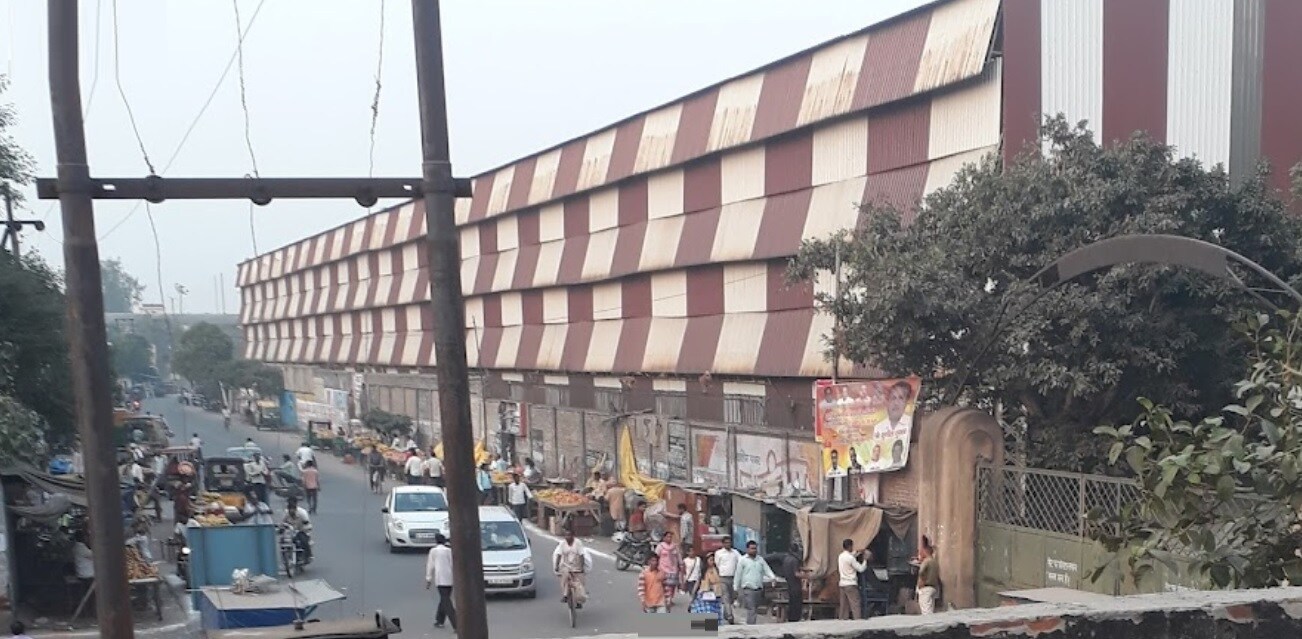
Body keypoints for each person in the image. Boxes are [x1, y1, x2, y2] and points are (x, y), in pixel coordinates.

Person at [767, 542, 807, 623]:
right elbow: (796, 573)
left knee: (792, 603)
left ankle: (791, 619)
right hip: (796, 585)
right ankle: (795, 619)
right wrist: (806, 576)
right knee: (797, 604)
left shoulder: (786, 559)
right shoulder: (795, 560)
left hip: (790, 584)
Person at [552, 527, 591, 608]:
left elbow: (581, 555)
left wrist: (581, 567)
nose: (567, 537)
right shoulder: (562, 544)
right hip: (565, 564)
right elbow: (559, 555)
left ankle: (579, 601)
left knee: (580, 582)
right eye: (566, 535)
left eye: (569, 535)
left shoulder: (578, 543)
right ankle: (565, 595)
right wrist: (556, 566)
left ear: (573, 536)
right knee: (565, 577)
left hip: (576, 564)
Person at [424, 533, 456, 629]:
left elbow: (430, 565)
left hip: (440, 578)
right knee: (444, 598)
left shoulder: (433, 551)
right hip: (450, 578)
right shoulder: (449, 551)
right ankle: (439, 620)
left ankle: (456, 623)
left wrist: (428, 579)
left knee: (446, 600)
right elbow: (453, 564)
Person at [837, 538, 868, 619]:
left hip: (842, 584)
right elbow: (861, 569)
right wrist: (865, 560)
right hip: (851, 584)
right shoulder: (851, 558)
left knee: (844, 606)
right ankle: (857, 621)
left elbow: (850, 557)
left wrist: (858, 552)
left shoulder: (841, 556)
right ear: (850, 546)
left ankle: (842, 623)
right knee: (855, 604)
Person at [714, 536, 743, 624]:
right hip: (723, 577)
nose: (728, 544)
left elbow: (741, 561)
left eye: (729, 542)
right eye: (726, 543)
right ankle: (730, 616)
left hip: (733, 578)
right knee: (725, 597)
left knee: (731, 597)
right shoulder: (719, 553)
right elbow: (717, 564)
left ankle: (726, 613)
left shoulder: (735, 553)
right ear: (723, 544)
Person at [655, 530, 684, 610]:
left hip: (673, 569)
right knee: (664, 585)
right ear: (664, 538)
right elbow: (656, 557)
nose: (669, 538)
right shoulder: (660, 546)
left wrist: (681, 565)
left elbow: (679, 557)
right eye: (667, 536)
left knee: (672, 586)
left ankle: (670, 599)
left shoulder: (675, 546)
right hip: (663, 569)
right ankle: (664, 599)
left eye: (670, 537)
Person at [283, 497, 313, 563]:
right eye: (290, 509)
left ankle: (309, 555)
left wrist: (306, 528)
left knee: (304, 541)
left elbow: (307, 523)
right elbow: (282, 523)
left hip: (301, 530)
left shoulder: (302, 513)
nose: (291, 511)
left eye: (293, 509)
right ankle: (285, 557)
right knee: (283, 541)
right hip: (290, 531)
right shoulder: (286, 513)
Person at [917, 537, 940, 614]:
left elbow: (921, 572)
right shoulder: (935, 562)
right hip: (934, 587)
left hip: (925, 587)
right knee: (931, 609)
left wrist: (921, 582)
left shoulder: (926, 561)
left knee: (925, 610)